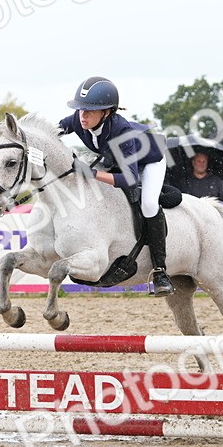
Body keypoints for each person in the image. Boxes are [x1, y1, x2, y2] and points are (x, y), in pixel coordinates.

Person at [58, 75, 173, 297]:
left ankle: (160, 272)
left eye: (90, 111)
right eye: (81, 109)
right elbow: (51, 132)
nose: (83, 115)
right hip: (119, 159)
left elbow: (130, 178)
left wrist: (93, 174)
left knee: (149, 204)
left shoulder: (122, 131)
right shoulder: (78, 120)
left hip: (150, 160)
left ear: (107, 112)